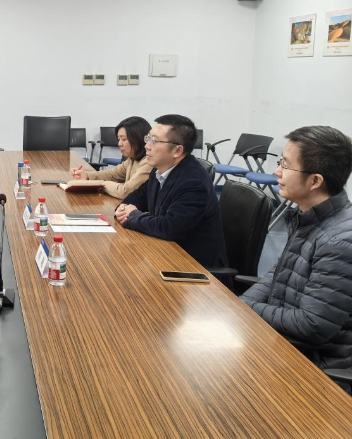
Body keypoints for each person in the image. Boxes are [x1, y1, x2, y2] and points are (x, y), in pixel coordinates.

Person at [241, 126, 352, 369]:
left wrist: (246, 308)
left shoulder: (339, 241)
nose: (276, 171)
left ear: (315, 181)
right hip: (286, 343)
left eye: (285, 165)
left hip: (317, 366)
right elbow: (276, 275)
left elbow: (313, 324)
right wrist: (240, 305)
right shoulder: (310, 217)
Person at [115, 114, 227, 268]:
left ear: (177, 151)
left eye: (154, 141)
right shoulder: (160, 170)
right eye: (148, 138)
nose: (147, 146)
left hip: (194, 267)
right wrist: (123, 208)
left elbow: (169, 227)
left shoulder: (193, 182)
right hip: (166, 254)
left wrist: (133, 216)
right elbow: (138, 196)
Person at [70, 116, 153, 199]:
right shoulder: (132, 159)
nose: (119, 144)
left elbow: (125, 192)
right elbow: (112, 174)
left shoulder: (149, 162)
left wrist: (101, 184)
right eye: (119, 139)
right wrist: (87, 175)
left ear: (138, 139)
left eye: (124, 139)